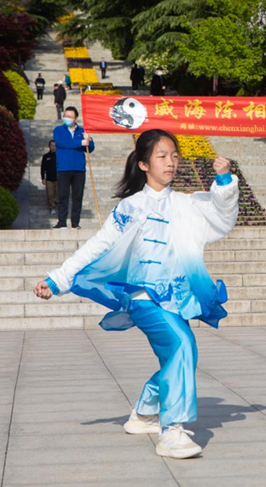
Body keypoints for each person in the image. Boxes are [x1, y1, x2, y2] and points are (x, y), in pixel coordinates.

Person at [33, 129, 239, 459]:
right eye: (162, 156)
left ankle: (144, 413)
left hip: (177, 298)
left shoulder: (186, 204)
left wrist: (225, 182)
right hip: (143, 298)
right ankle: (172, 431)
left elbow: (221, 218)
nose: (171, 162)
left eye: (174, 156)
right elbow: (97, 245)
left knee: (180, 355)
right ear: (143, 164)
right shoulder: (132, 207)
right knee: (182, 345)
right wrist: (58, 279)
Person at [53, 106, 95, 229]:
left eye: (70, 116)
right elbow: (63, 144)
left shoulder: (82, 131)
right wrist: (80, 143)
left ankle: (75, 223)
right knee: (62, 196)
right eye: (65, 116)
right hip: (63, 168)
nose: (67, 118)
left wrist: (89, 140)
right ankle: (61, 222)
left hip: (79, 169)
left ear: (76, 118)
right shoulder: (58, 130)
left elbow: (90, 148)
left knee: (77, 196)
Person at [40, 140, 58, 215]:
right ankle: (52, 207)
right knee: (50, 194)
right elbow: (43, 168)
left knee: (59, 194)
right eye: (52, 145)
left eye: (55, 145)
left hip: (59, 179)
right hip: (49, 179)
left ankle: (58, 204)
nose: (53, 147)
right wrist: (43, 178)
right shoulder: (46, 156)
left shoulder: (60, 156)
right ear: (49, 146)